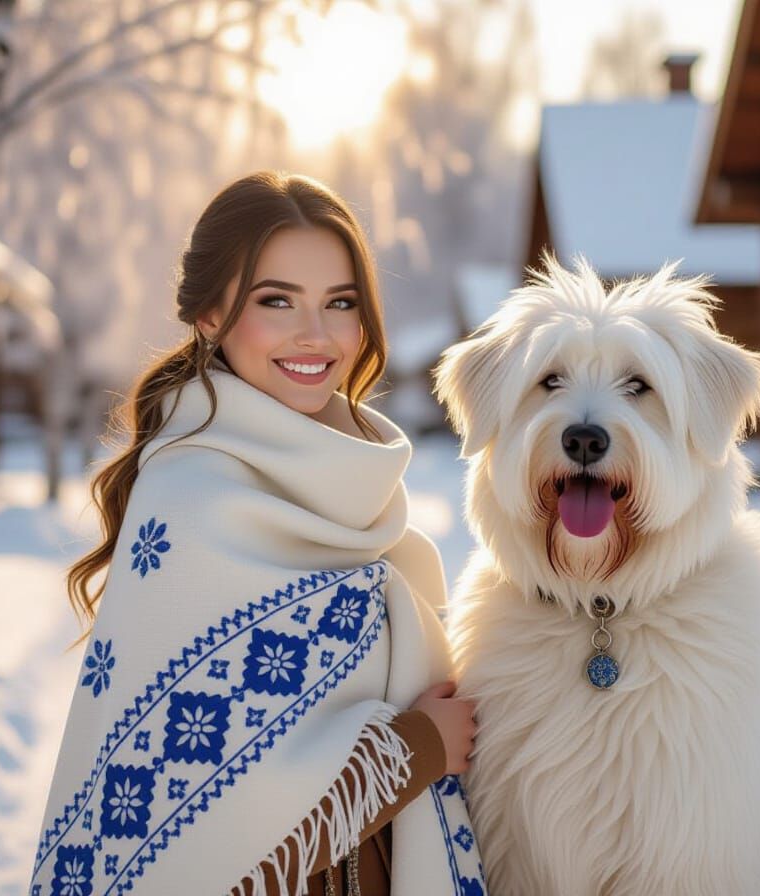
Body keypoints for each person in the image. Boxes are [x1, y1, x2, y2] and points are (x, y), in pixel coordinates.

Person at [28, 172, 485, 896]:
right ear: (210, 314)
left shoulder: (367, 499)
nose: (316, 334)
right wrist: (418, 748)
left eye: (340, 303)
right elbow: (204, 845)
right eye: (276, 301)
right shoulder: (190, 506)